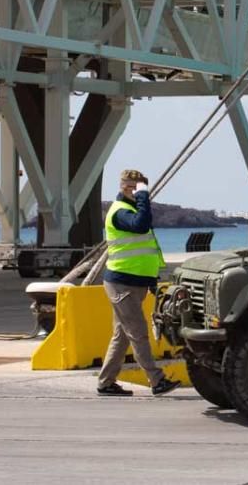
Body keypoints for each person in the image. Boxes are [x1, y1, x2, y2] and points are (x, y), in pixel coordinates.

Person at [97, 169, 180, 397]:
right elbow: (141, 225)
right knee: (138, 332)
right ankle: (156, 380)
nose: (143, 194)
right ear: (126, 188)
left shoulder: (131, 209)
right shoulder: (120, 212)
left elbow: (144, 249)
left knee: (122, 336)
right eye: (138, 189)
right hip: (121, 284)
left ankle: (106, 382)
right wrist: (143, 197)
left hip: (135, 283)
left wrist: (152, 279)